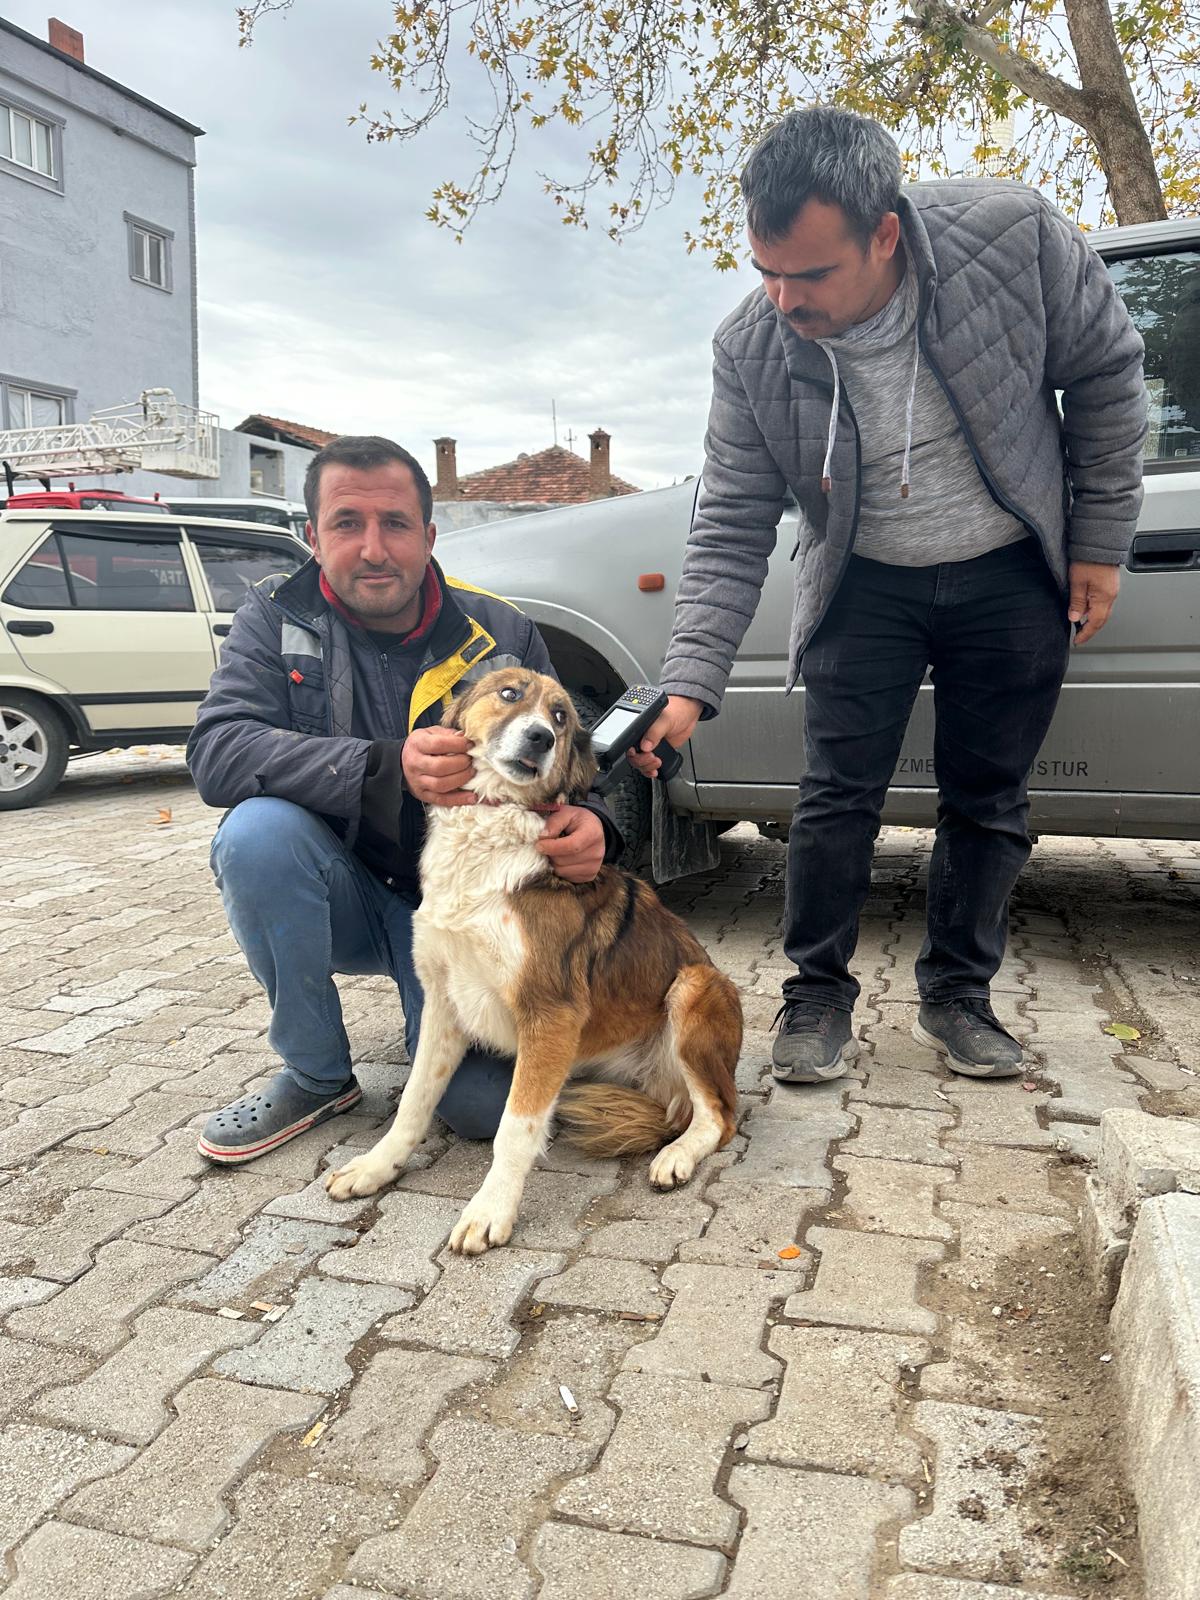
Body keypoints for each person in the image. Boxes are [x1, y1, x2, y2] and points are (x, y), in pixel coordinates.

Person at [632, 107, 1146, 1084]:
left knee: (988, 796)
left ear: (885, 233)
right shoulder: (749, 346)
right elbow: (733, 516)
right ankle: (815, 996)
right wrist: (690, 682)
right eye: (766, 270)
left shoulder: (1017, 239)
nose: (784, 298)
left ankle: (960, 996)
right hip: (860, 576)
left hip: (1007, 566)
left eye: (811, 274)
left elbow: (1112, 376)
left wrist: (1098, 542)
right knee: (834, 796)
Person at [187, 435, 618, 1162]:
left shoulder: (503, 632)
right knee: (255, 835)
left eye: (395, 524)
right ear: (312, 537)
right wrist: (378, 767)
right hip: (346, 890)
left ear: (429, 534)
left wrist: (595, 825)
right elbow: (216, 751)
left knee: (480, 1110)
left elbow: (575, 770)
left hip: (476, 909)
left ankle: (566, 1047)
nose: (374, 548)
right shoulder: (271, 619)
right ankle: (317, 1073)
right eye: (347, 524)